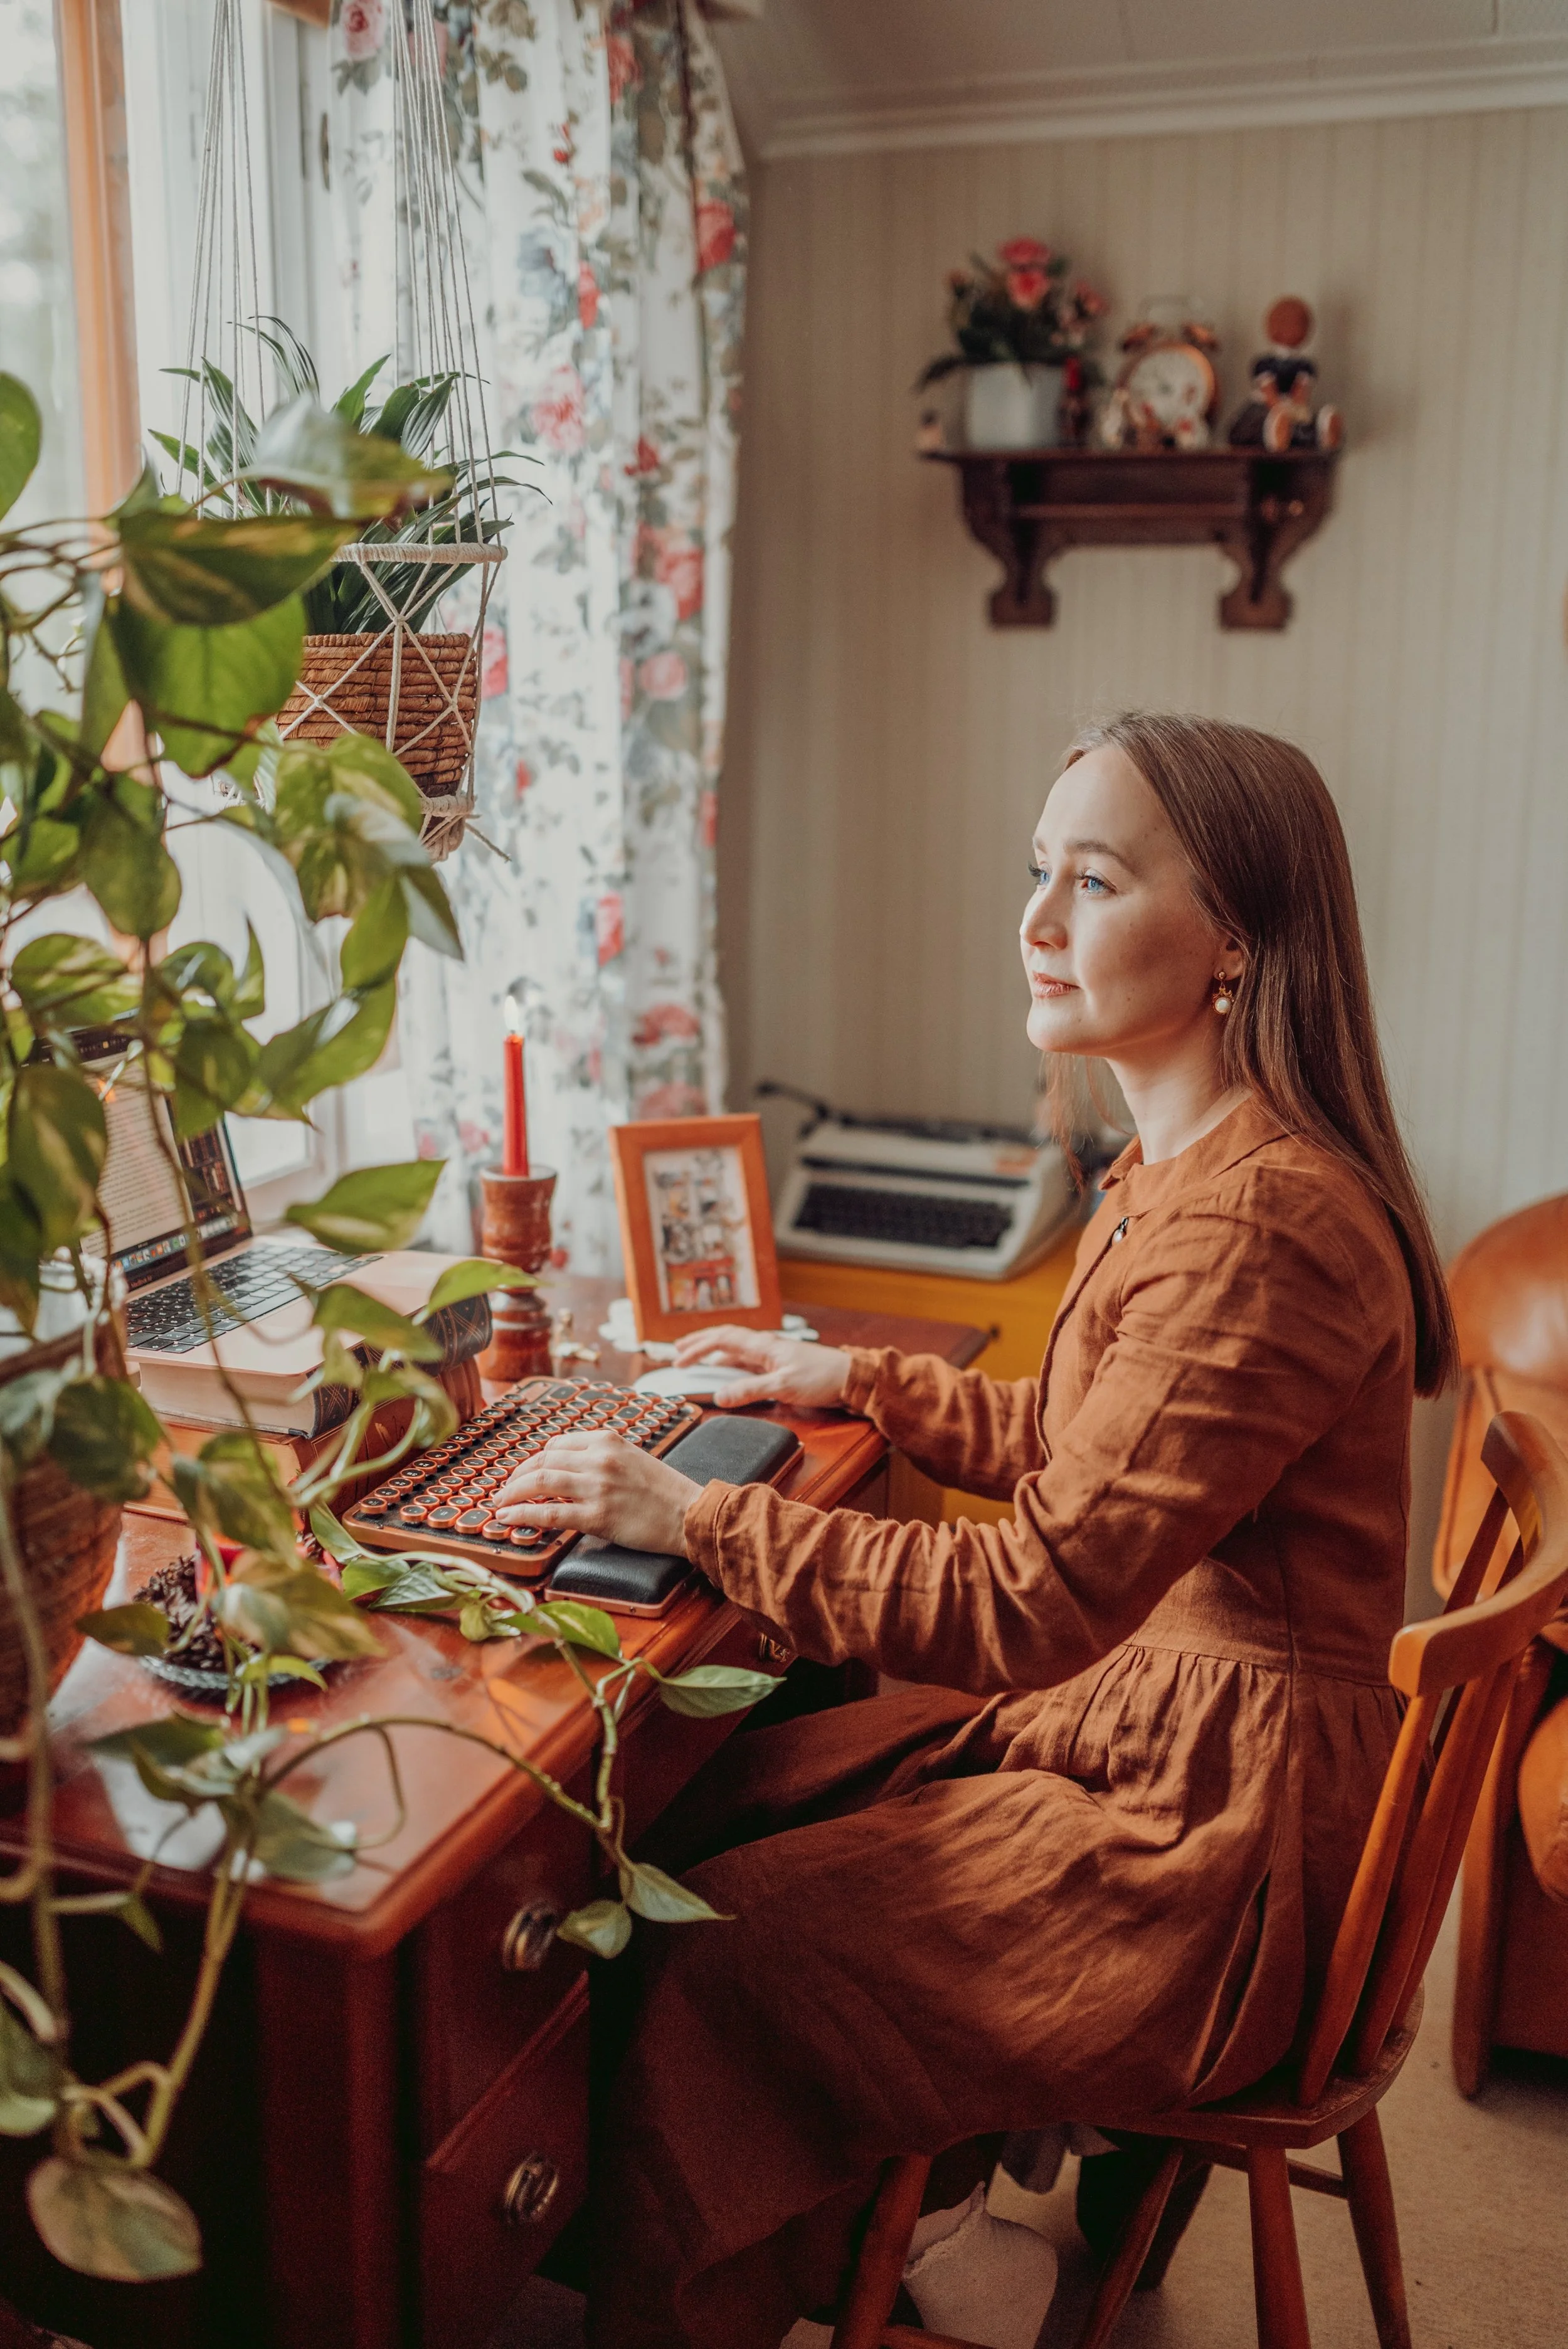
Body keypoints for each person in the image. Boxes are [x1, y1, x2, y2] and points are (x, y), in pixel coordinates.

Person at [494, 713, 1457, 2349]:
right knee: (737, 1793)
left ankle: (735, 2275)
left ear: (1232, 937)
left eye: (1090, 879)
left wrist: (699, 1515)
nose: (1031, 921)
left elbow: (1036, 1594)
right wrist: (846, 1373)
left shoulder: (1264, 1221)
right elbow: (1102, 1453)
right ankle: (880, 2218)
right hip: (1164, 1732)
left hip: (1212, 1845)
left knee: (708, 1960)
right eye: (1038, 872)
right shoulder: (1185, 1172)